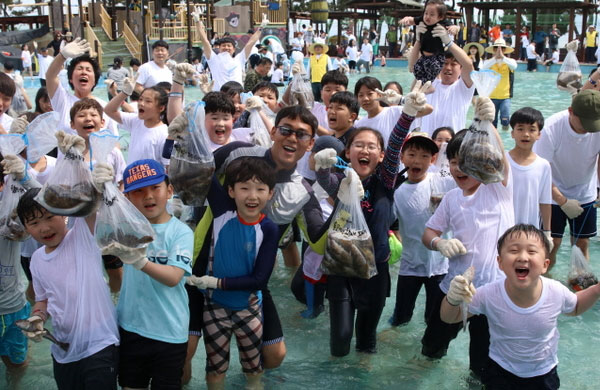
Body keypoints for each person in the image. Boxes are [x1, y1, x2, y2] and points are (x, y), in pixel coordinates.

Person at [314, 81, 430, 356]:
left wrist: (408, 114)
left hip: (375, 270)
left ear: (380, 156)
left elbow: (397, 144)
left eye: (371, 147)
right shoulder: (340, 181)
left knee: (366, 343)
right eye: (358, 146)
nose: (364, 151)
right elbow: (321, 177)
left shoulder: (386, 181)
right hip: (341, 267)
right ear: (348, 152)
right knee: (340, 342)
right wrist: (320, 161)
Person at [15, 133, 120, 389]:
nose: (44, 228)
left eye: (49, 217)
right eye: (34, 223)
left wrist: (74, 158)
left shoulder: (81, 237)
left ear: (63, 215)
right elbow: (43, 299)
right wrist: (38, 318)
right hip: (62, 348)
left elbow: (88, 202)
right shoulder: (38, 260)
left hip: (100, 344)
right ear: (26, 229)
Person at [441, 224, 600, 389]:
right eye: (514, 251)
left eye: (531, 251)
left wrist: (596, 290)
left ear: (545, 264)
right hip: (500, 371)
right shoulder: (488, 294)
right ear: (500, 262)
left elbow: (575, 306)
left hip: (543, 374)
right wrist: (452, 299)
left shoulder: (555, 291)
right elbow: (449, 317)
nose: (523, 257)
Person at [421, 97, 514, 379]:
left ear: (479, 162)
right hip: (455, 287)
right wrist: (440, 243)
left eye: (465, 162)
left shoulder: (497, 189)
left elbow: (500, 158)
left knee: (481, 365)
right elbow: (428, 233)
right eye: (453, 162)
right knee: (431, 348)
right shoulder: (451, 198)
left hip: (494, 291)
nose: (459, 169)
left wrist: (487, 121)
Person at [188, 157, 278, 389]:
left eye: (260, 189)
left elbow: (259, 280)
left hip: (249, 309)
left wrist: (214, 282)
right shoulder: (222, 212)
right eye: (244, 188)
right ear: (230, 190)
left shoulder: (269, 229)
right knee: (215, 368)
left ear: (271, 193)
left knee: (253, 368)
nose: (252, 196)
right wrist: (183, 132)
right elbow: (201, 166)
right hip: (214, 309)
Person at [107, 158, 193, 390]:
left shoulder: (181, 232)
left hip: (170, 331)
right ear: (127, 198)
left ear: (170, 190)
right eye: (138, 191)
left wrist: (139, 261)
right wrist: (102, 188)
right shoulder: (126, 228)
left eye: (155, 187)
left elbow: (174, 277)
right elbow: (93, 221)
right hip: (130, 327)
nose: (148, 196)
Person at [389, 132, 455, 327]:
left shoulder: (441, 182)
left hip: (441, 265)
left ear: (433, 159)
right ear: (401, 157)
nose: (417, 161)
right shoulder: (396, 189)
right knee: (401, 317)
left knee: (433, 318)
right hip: (410, 264)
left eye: (425, 156)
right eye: (411, 154)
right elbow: (388, 221)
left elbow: (467, 177)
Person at [533, 89, 600, 269]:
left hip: (585, 191)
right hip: (553, 191)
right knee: (552, 244)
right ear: (571, 111)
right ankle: (545, 284)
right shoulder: (552, 128)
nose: (588, 128)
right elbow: (540, 171)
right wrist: (562, 201)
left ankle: (578, 286)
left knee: (582, 244)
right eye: (584, 122)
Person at [45, 38, 119, 136]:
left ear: (95, 81)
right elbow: (50, 76)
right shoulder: (62, 101)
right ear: (70, 78)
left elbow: (114, 141)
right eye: (79, 69)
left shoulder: (105, 107)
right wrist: (63, 56)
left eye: (88, 70)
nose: (84, 72)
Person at [411, 29, 474, 135]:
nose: (448, 68)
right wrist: (419, 40)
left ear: (460, 68)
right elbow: (415, 66)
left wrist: (449, 42)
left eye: (453, 64)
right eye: (444, 63)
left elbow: (468, 65)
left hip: (452, 146)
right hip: (428, 145)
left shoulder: (463, 88)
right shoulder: (430, 84)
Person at [507, 107, 552, 236]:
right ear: (512, 133)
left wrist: (547, 232)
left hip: (531, 230)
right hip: (504, 227)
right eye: (520, 129)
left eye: (532, 130)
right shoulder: (503, 161)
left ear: (539, 134)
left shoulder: (543, 165)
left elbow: (545, 201)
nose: (526, 134)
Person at [193, 11, 265, 91]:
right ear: (219, 49)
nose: (226, 48)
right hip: (219, 97)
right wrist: (197, 22)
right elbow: (205, 41)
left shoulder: (239, 59)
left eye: (229, 46)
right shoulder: (213, 59)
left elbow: (251, 43)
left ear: (234, 49)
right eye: (223, 46)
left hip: (236, 96)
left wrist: (261, 27)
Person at [105, 82, 169, 167]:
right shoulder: (136, 121)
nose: (141, 103)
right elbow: (109, 110)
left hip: (151, 180)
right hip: (131, 178)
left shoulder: (164, 134)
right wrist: (124, 93)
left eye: (148, 101)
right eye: (141, 99)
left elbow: (167, 166)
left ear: (161, 108)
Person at [404, 0, 454, 83]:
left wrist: (454, 28)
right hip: (424, 56)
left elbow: (452, 26)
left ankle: (430, 84)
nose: (427, 17)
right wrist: (407, 19)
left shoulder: (441, 23)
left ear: (440, 17)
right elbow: (413, 19)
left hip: (436, 56)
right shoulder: (422, 22)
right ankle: (426, 85)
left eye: (432, 15)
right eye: (426, 13)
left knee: (433, 69)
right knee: (417, 69)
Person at [482, 38, 517, 131]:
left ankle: (505, 137)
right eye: (496, 48)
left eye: (502, 48)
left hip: (505, 96)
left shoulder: (510, 62)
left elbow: (514, 66)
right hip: (491, 96)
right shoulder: (488, 62)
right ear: (493, 49)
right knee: (492, 122)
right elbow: (482, 69)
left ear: (505, 50)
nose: (499, 50)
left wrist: (502, 57)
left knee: (505, 119)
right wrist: (495, 58)